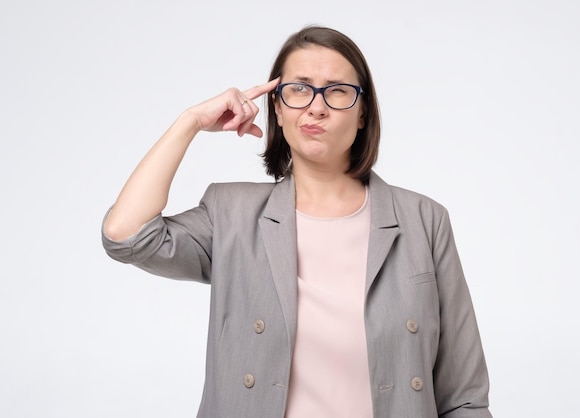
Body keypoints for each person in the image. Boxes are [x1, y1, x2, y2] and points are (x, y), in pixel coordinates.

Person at [102, 25, 492, 418]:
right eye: (299, 89)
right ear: (277, 107)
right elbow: (127, 236)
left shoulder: (424, 221)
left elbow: (465, 398)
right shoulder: (232, 213)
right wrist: (189, 123)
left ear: (362, 113)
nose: (316, 106)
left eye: (337, 90)